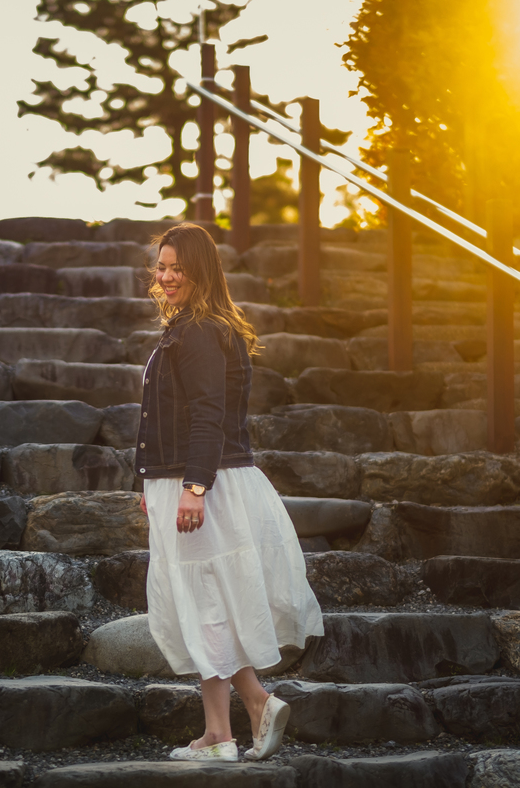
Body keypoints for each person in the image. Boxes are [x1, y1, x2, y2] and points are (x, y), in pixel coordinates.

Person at [134, 222, 325, 763]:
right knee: (206, 603)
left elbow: (208, 415)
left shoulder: (197, 331)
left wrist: (193, 486)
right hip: (185, 480)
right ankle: (218, 734)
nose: (166, 276)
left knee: (206, 605)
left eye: (177, 267)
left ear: (201, 271)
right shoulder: (199, 326)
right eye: (162, 266)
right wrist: (152, 484)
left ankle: (256, 703)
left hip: (201, 483)